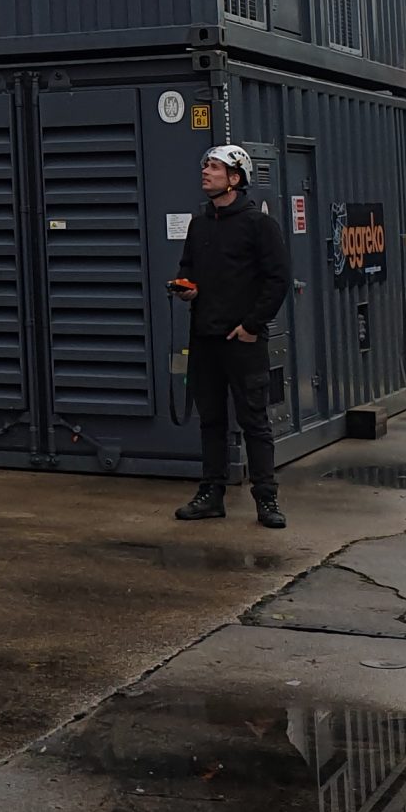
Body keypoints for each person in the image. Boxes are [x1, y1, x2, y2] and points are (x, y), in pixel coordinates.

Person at [171, 145, 292, 529]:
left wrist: (252, 326)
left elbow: (277, 281)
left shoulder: (259, 225)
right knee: (211, 421)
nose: (205, 172)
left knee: (254, 421)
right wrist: (186, 287)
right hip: (204, 339)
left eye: (214, 167)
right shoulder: (199, 225)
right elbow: (188, 269)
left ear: (235, 178)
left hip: (243, 341)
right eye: (205, 165)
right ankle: (211, 495)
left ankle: (266, 499)